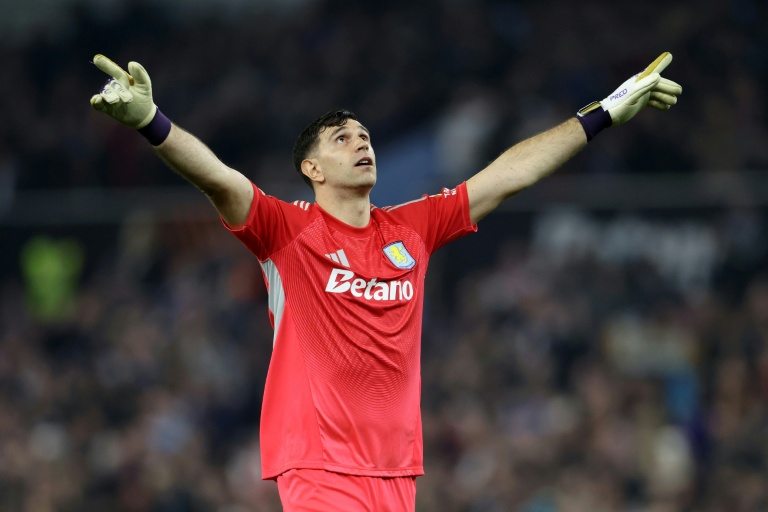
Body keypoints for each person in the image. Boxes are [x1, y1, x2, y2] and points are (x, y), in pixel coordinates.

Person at [89, 51, 682, 511]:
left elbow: (507, 176)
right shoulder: (287, 231)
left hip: (396, 469)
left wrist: (602, 112)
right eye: (342, 138)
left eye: (365, 135)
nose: (361, 142)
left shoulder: (412, 229)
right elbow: (219, 179)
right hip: (318, 463)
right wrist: (152, 122)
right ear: (312, 169)